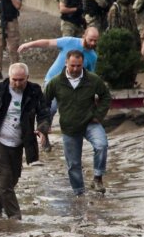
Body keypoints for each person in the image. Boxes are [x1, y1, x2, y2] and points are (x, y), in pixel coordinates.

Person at [0, 63, 50, 220]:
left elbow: (44, 113)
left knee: (13, 179)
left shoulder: (34, 91)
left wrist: (42, 128)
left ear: (27, 78)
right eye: (14, 80)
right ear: (9, 78)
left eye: (21, 80)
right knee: (4, 178)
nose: (17, 83)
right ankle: (15, 217)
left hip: (18, 143)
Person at [44, 51, 112, 196]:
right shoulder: (55, 82)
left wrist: (98, 115)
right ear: (66, 63)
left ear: (83, 64)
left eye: (79, 66)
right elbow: (45, 103)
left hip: (90, 122)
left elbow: (106, 96)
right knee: (73, 164)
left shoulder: (93, 80)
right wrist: (44, 123)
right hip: (69, 127)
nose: (75, 69)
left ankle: (97, 177)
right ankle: (79, 194)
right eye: (72, 65)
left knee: (102, 145)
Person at [17, 27, 100, 83]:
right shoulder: (69, 41)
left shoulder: (93, 57)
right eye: (90, 40)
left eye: (95, 41)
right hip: (51, 81)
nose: (92, 43)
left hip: (70, 88)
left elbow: (90, 76)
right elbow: (48, 42)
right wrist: (28, 45)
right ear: (84, 36)